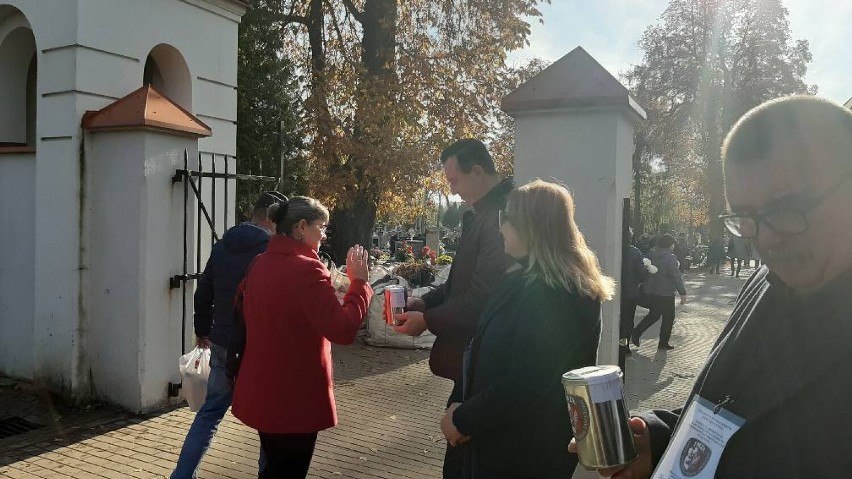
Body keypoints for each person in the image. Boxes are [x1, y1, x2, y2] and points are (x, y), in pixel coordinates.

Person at [576, 96, 852, 477]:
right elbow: (737, 405)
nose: (766, 240)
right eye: (746, 217)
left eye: (788, 210)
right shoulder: (764, 281)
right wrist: (660, 440)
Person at [439, 180, 613, 478]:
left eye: (505, 218)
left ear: (530, 226)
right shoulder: (526, 280)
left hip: (520, 453)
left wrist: (463, 419)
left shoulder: (556, 293)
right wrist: (456, 406)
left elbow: (526, 381)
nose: (500, 227)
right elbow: (480, 349)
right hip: (497, 442)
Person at [393, 138, 512, 479]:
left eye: (454, 181)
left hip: (485, 362)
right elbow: (459, 283)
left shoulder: (500, 215)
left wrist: (426, 320)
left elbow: (482, 297)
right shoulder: (484, 213)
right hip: (473, 361)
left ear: (477, 172)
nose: (453, 190)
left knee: (462, 462)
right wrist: (424, 302)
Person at [231, 196, 372, 479]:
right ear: (302, 227)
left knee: (273, 467)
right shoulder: (307, 269)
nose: (324, 235)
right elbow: (342, 330)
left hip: (263, 389)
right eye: (322, 227)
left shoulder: (260, 262)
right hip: (294, 396)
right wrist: (360, 284)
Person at [170, 191, 283, 479]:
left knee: (209, 414)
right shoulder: (272, 249)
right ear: (270, 219)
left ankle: (182, 475)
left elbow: (204, 290)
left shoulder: (223, 246)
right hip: (257, 345)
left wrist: (202, 330)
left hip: (222, 341)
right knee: (268, 418)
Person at [631, 234, 687, 351]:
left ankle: (636, 332)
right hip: (666, 293)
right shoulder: (671, 258)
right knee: (668, 318)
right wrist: (682, 292)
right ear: (671, 245)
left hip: (651, 291)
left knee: (654, 315)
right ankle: (663, 343)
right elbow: (676, 276)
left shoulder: (651, 254)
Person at [620, 231, 648, 356]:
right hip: (630, 293)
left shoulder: (615, 249)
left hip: (615, 291)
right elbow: (641, 274)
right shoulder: (635, 252)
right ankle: (623, 347)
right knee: (627, 321)